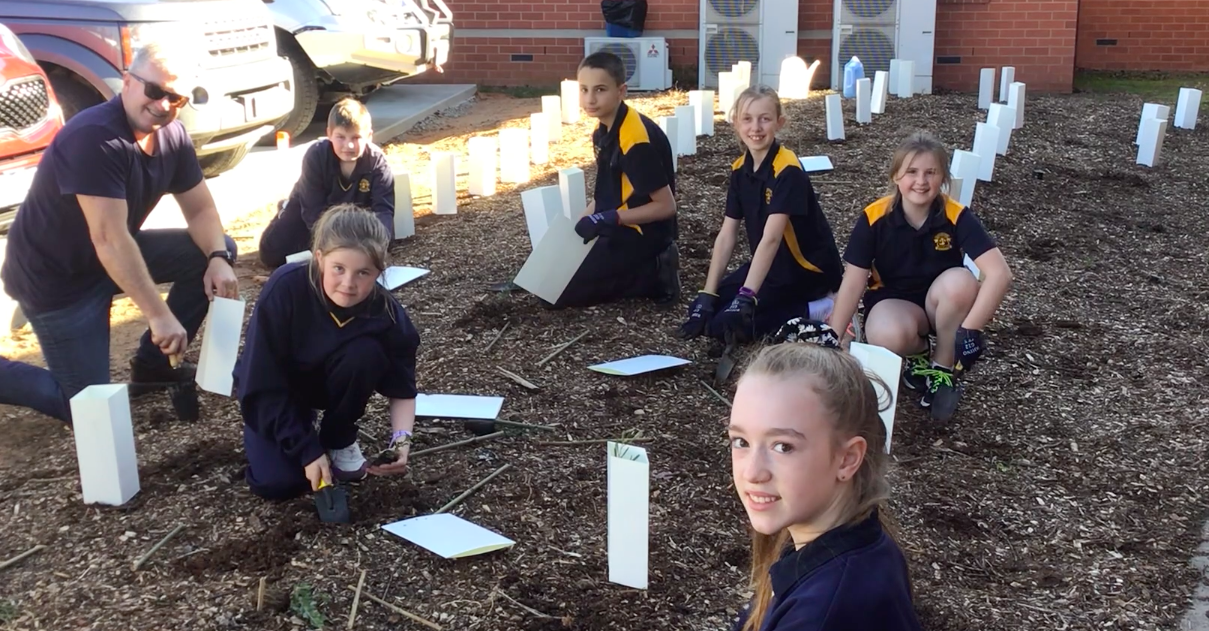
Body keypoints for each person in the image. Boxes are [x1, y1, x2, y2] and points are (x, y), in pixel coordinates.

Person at [0, 41, 239, 424]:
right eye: (155, 91)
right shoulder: (95, 138)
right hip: (56, 278)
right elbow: (108, 240)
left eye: (176, 98)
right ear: (128, 82)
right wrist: (158, 315)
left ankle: (153, 367)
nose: (164, 104)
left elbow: (200, 209)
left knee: (212, 249)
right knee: (85, 407)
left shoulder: (172, 136)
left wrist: (217, 258)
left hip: (108, 256)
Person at [727, 343, 921, 631]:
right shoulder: (857, 544)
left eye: (783, 447)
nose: (753, 472)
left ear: (847, 459)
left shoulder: (823, 613)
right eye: (741, 442)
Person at [235, 204, 419, 501]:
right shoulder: (284, 289)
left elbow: (403, 386)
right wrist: (307, 450)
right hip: (276, 392)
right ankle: (298, 432)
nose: (348, 283)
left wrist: (401, 441)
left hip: (330, 384)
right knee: (280, 484)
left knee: (366, 353)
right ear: (320, 258)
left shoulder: (386, 313)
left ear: (378, 273)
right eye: (339, 269)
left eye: (363, 272)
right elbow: (261, 384)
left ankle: (338, 437)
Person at [827, 131, 1013, 423]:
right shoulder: (874, 217)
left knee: (962, 282)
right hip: (894, 302)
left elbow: (999, 274)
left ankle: (943, 366)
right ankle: (917, 355)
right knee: (887, 334)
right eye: (911, 172)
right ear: (896, 176)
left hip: (940, 305)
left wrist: (971, 330)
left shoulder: (955, 215)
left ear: (943, 178)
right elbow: (853, 279)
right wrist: (833, 338)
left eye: (931, 172)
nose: (921, 181)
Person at [678, 85, 843, 345]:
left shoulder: (787, 170)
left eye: (764, 119)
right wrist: (707, 294)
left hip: (805, 271)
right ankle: (762, 306)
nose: (755, 127)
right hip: (772, 267)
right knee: (706, 311)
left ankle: (819, 308)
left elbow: (772, 239)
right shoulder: (739, 169)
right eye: (747, 119)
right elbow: (727, 233)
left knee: (731, 323)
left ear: (779, 123)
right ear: (735, 123)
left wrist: (747, 295)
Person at [556, 50, 679, 309]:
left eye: (600, 90)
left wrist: (609, 218)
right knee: (549, 278)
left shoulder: (634, 140)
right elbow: (608, 194)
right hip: (617, 225)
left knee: (558, 294)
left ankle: (655, 271)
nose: (590, 99)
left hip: (643, 234)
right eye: (584, 89)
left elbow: (667, 207)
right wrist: (580, 225)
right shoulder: (603, 130)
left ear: (621, 91)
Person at [258, 98, 395, 268]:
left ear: (369, 136)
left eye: (356, 137)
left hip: (355, 218)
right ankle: (285, 210)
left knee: (375, 246)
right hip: (316, 214)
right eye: (340, 137)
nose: (348, 145)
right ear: (329, 134)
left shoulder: (377, 163)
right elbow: (311, 209)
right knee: (272, 253)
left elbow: (384, 210)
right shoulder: (316, 156)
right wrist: (333, 244)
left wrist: (379, 244)